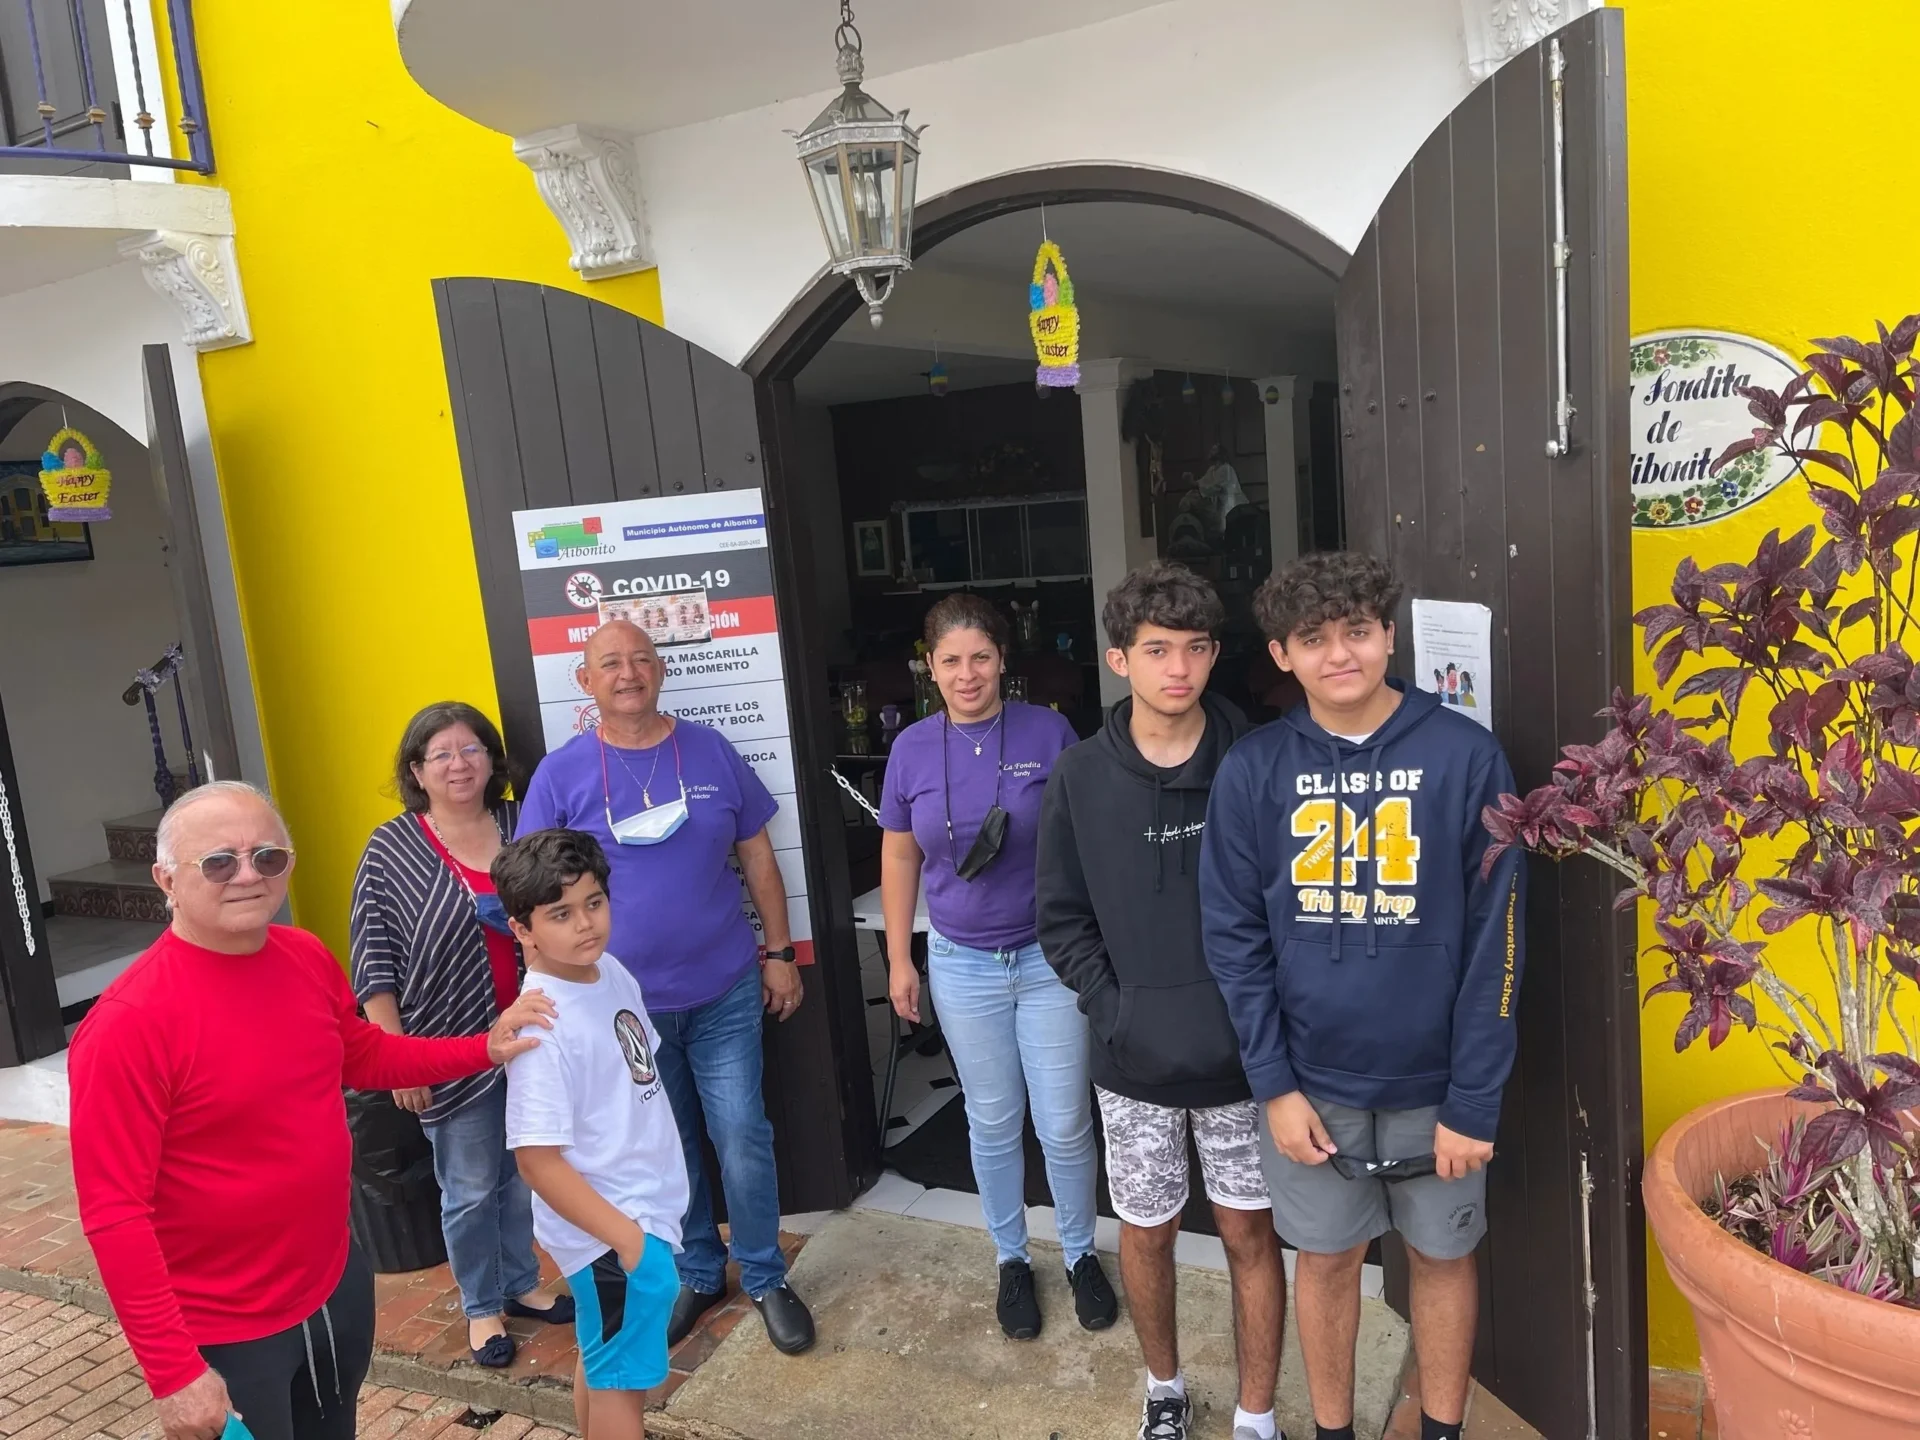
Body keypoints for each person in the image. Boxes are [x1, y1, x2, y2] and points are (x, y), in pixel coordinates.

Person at [69, 782, 556, 1440]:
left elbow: (364, 1057)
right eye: (219, 861)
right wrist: (172, 1372)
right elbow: (114, 1212)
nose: (248, 875)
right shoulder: (127, 1025)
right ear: (166, 879)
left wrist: (483, 1048)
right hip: (226, 1329)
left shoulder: (303, 956)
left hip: (333, 1287)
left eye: (268, 857)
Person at [1199, 552, 1526, 1440]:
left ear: (1389, 634)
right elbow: (1235, 940)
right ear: (1280, 655)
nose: (1338, 654)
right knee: (1329, 1261)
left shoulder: (1466, 756)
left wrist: (1475, 1097)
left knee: (1443, 1258)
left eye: (1356, 631)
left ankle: (1442, 1433)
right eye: (1314, 638)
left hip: (1438, 1091)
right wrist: (1273, 1083)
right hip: (1312, 1087)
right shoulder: (1254, 771)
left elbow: (1499, 939)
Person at [1037, 563, 1287, 1440]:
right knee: (1145, 1232)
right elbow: (1061, 919)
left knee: (1252, 1234)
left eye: (1194, 648)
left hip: (1248, 1058)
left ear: (1215, 655)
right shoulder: (1077, 777)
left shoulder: (1260, 759)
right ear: (1119, 660)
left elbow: (1289, 907)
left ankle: (1257, 1414)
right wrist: (1117, 1012)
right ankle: (1164, 1388)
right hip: (1133, 1058)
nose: (1176, 668)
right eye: (1155, 650)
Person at [517, 619, 814, 1355]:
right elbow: (525, 890)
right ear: (585, 682)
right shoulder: (562, 774)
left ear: (661, 670)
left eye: (641, 659)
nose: (628, 673)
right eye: (610, 663)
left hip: (722, 988)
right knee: (669, 1144)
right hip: (619, 1009)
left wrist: (780, 952)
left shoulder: (710, 749)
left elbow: (759, 858)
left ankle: (767, 1275)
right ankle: (698, 1269)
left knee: (742, 1134)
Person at [879, 593, 1117, 1340]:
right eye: (950, 660)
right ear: (929, 667)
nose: (966, 673)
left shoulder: (1050, 733)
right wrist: (898, 958)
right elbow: (898, 851)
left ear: (1003, 661)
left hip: (1050, 960)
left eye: (980, 656)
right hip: (960, 962)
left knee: (1065, 1124)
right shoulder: (912, 747)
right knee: (991, 1122)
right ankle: (1011, 1259)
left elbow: (1090, 836)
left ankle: (1079, 1253)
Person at [351, 702, 571, 1367]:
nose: (458, 763)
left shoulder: (521, 823)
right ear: (417, 769)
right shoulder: (392, 847)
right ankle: (482, 1308)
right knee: (471, 1185)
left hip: (536, 1039)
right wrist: (398, 1062)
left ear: (491, 760)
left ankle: (521, 1284)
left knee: (523, 1173)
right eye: (440, 753)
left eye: (470, 749)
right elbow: (373, 958)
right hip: (448, 1049)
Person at [499, 829, 689, 1440]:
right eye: (560, 914)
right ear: (522, 929)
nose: (585, 924)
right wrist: (630, 1243)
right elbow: (536, 1160)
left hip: (638, 1209)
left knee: (603, 1361)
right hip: (613, 1228)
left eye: (594, 903)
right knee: (623, 1392)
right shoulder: (541, 1027)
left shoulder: (608, 970)